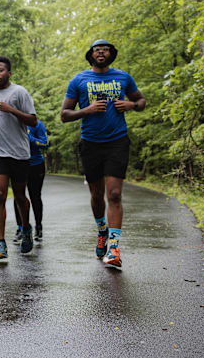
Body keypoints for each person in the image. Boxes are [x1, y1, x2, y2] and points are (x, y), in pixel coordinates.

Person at [60, 39, 146, 269]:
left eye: (105, 49)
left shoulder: (123, 78)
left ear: (111, 54)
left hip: (117, 142)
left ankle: (114, 248)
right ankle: (102, 231)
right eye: (97, 49)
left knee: (115, 194)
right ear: (91, 55)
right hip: (91, 144)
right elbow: (64, 114)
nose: (101, 52)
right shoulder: (79, 80)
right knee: (97, 196)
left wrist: (130, 105)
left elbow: (141, 101)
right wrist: (87, 110)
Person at [0, 56, 38, 258]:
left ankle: (26, 228)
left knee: (20, 196)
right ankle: (1, 243)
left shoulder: (19, 92)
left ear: (9, 73)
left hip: (19, 153)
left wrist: (11, 109)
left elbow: (33, 121)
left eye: (0, 70)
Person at [12, 120, 49, 241]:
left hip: (35, 165)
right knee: (18, 196)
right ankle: (21, 228)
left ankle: (38, 227)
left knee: (35, 196)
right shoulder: (13, 123)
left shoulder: (37, 124)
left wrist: (29, 138)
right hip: (17, 163)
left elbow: (45, 144)